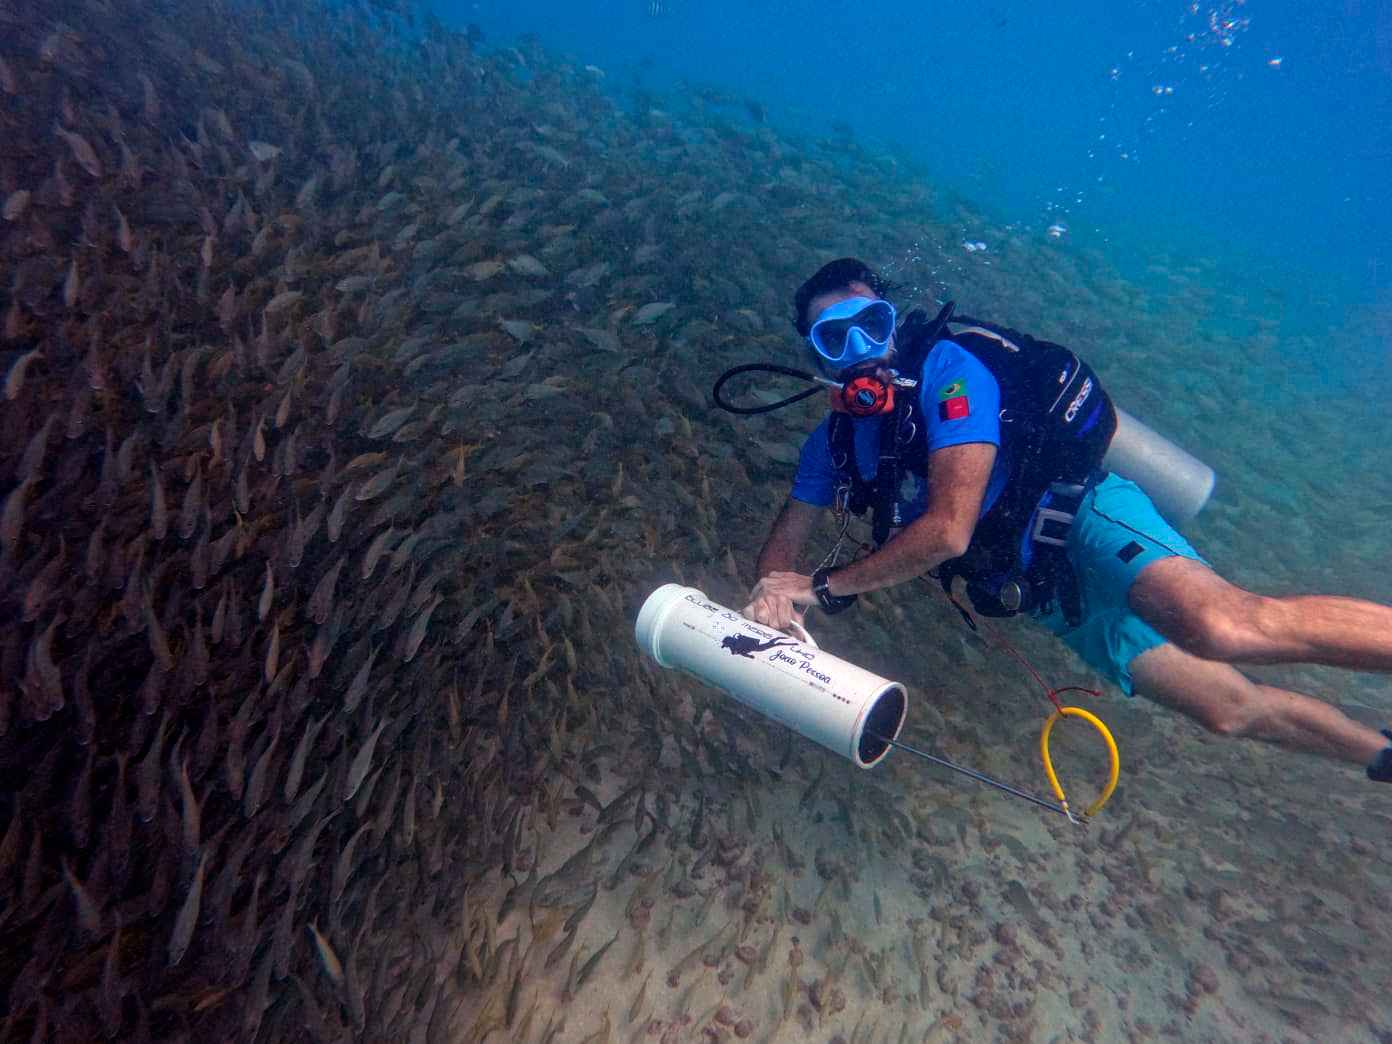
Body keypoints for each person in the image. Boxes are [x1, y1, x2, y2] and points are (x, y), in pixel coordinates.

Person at [742, 257, 1392, 782]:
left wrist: (822, 589)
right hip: (1045, 589)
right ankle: (1380, 753)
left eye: (871, 322)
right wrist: (773, 596)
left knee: (1221, 625)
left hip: (1083, 515)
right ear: (818, 358)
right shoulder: (831, 441)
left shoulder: (949, 370)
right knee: (1226, 710)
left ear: (892, 319)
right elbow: (788, 542)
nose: (860, 348)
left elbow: (947, 530)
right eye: (835, 337)